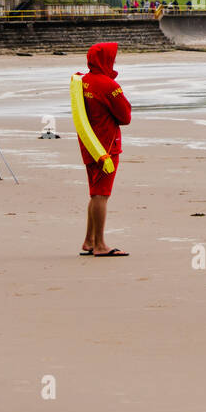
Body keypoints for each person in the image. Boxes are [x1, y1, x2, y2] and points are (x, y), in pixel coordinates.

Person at [77, 42, 132, 257]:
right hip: (106, 147)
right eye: (112, 57)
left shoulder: (84, 81)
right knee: (101, 195)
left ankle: (89, 240)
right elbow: (125, 117)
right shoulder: (108, 85)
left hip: (88, 144)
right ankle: (99, 245)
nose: (114, 61)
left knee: (95, 193)